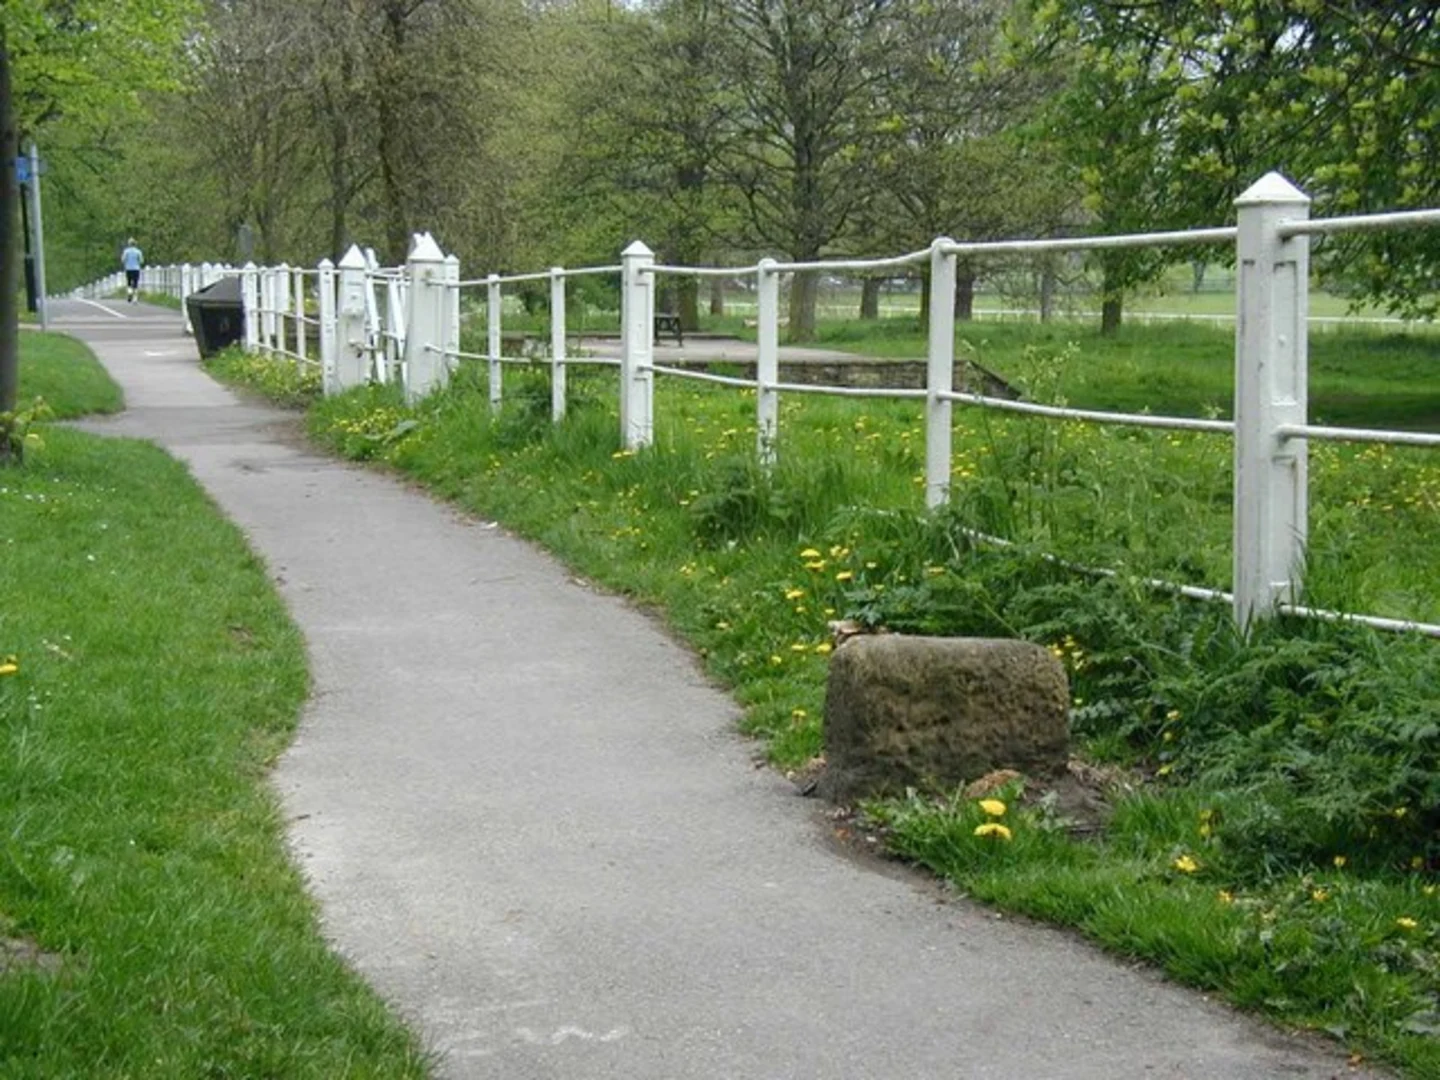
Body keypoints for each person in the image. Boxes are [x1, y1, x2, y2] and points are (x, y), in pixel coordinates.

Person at [121, 238, 144, 302]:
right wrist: (137, 262)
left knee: (129, 282)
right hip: (136, 269)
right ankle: (135, 298)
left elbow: (123, 260)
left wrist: (126, 262)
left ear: (129, 244)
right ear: (135, 244)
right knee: (135, 283)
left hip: (128, 269)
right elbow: (141, 261)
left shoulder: (126, 251)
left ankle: (130, 293)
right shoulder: (138, 251)